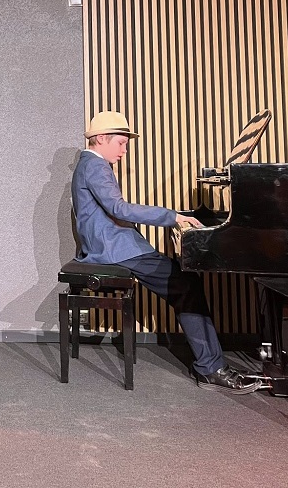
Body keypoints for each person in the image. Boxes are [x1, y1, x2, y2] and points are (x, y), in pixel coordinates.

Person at [71, 110, 260, 394]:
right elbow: (119, 209)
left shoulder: (89, 164)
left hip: (113, 244)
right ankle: (210, 368)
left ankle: (211, 363)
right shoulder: (95, 166)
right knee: (186, 286)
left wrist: (175, 217)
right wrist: (173, 217)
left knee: (186, 283)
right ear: (100, 139)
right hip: (113, 249)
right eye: (121, 143)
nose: (124, 150)